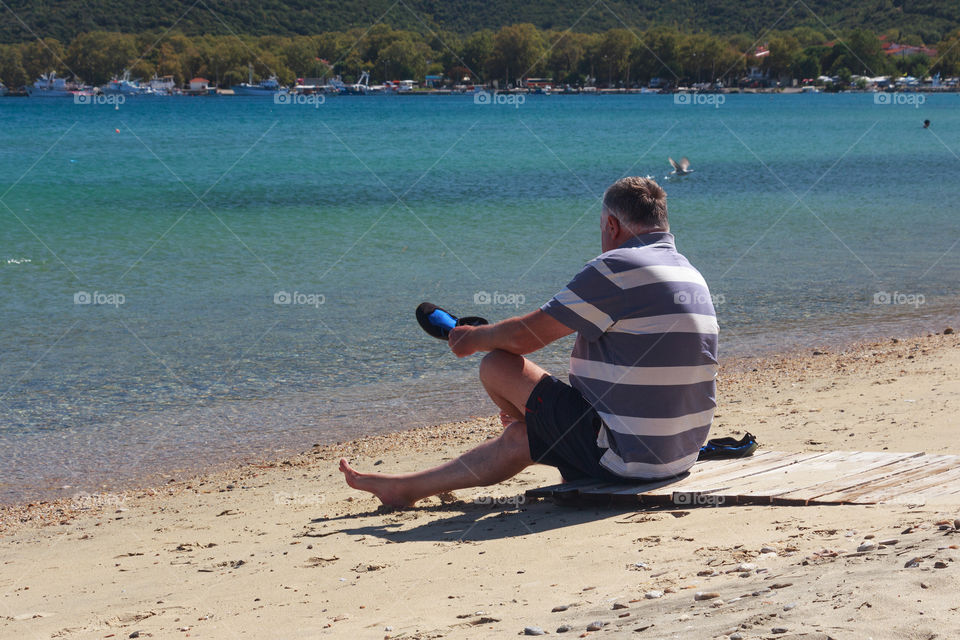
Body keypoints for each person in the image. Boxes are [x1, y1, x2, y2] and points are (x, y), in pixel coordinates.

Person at [340, 176, 719, 507]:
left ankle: (524, 431)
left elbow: (525, 336)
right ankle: (405, 489)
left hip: (626, 457)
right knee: (523, 437)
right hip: (679, 454)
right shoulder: (689, 272)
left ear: (612, 224)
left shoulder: (617, 267)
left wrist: (474, 339)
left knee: (496, 364)